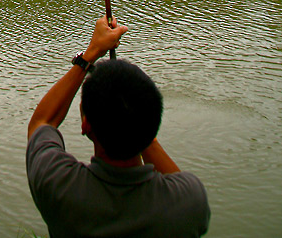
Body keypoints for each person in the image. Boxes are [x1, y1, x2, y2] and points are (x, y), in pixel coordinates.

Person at [26, 16, 210, 237]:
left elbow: (42, 122)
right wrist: (139, 125)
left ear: (86, 124)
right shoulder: (189, 204)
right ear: (152, 125)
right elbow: (168, 168)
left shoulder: (59, 186)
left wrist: (90, 54)